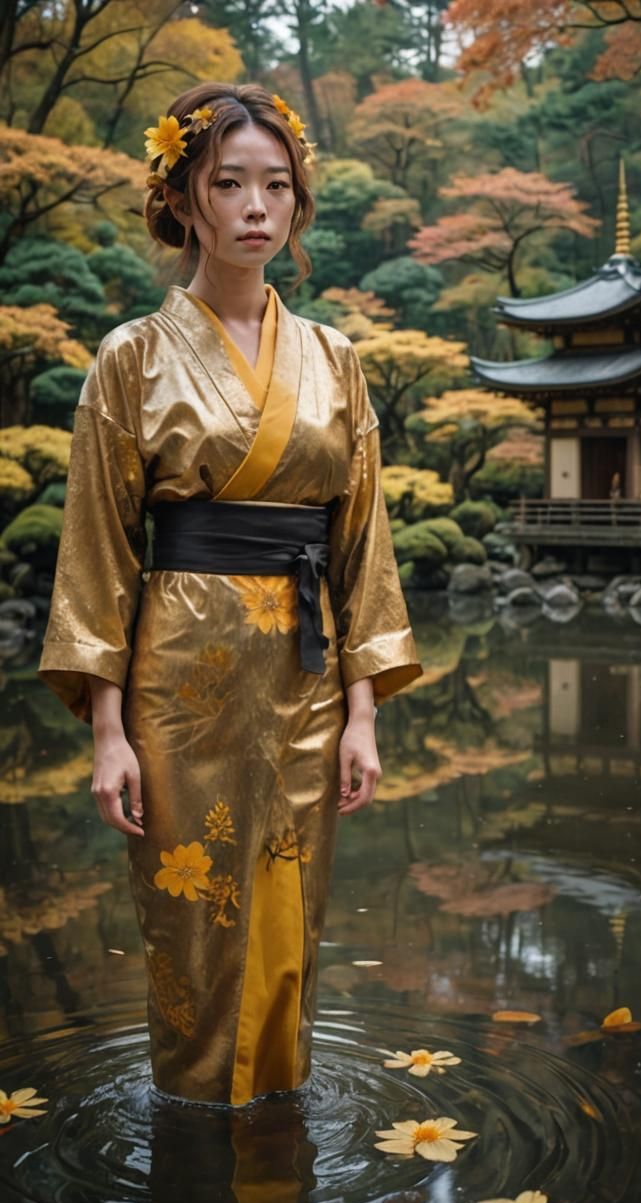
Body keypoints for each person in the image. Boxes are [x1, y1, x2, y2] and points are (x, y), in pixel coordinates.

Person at [37, 82, 423, 1108]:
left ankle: (280, 1129)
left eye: (277, 185)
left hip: (304, 670)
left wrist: (364, 711)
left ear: (297, 203)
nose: (258, 205)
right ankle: (197, 1131)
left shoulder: (335, 358)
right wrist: (108, 730)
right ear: (187, 200)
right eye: (230, 183)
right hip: (179, 674)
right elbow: (99, 553)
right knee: (192, 915)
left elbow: (360, 541)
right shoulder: (133, 357)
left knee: (292, 906)